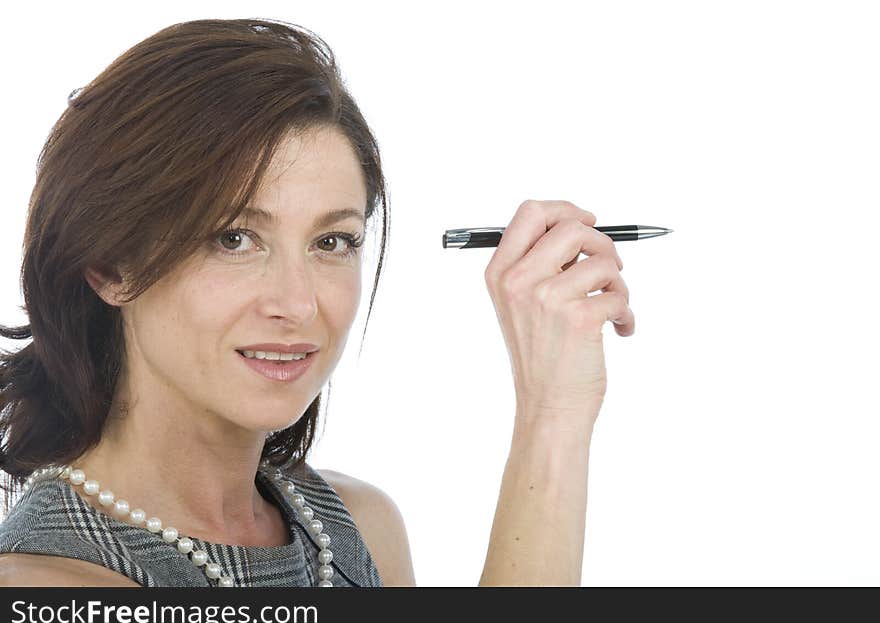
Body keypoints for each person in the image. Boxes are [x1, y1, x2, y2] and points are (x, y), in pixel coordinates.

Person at [0, 18, 634, 587]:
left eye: (332, 241)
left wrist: (555, 409)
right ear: (109, 265)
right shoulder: (46, 585)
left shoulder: (358, 532)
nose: (298, 304)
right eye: (234, 238)